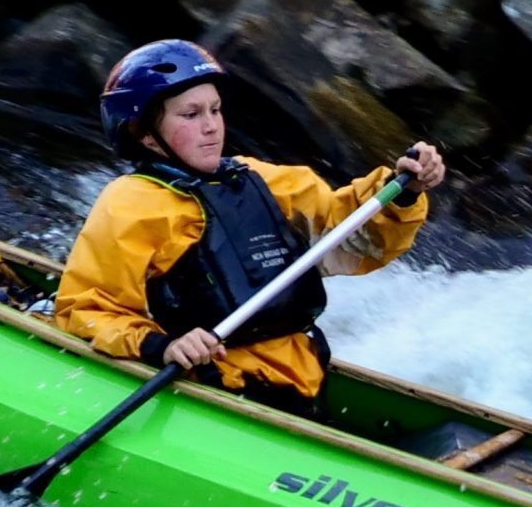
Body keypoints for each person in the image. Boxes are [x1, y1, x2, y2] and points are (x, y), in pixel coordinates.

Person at [54, 40, 446, 421]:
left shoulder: (259, 179)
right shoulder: (132, 203)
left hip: (300, 381)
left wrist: (404, 193)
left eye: (215, 110)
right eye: (190, 115)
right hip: (215, 386)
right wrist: (163, 345)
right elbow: (86, 308)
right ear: (144, 133)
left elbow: (355, 235)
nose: (211, 127)